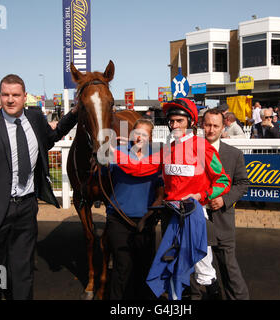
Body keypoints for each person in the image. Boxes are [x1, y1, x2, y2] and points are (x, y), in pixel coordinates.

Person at [0, 74, 79, 300]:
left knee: (22, 272)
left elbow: (51, 136)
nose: (10, 100)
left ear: (25, 97)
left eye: (15, 95)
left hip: (25, 210)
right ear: (1, 95)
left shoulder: (35, 118)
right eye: (5, 95)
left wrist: (74, 114)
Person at [111, 98, 231, 299]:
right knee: (174, 268)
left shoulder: (202, 147)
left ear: (190, 122)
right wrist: (113, 153)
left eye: (179, 121)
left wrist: (202, 196)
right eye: (171, 121)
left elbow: (223, 181)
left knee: (204, 271)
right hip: (173, 217)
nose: (174, 125)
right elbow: (140, 168)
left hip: (194, 216)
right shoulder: (168, 150)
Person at [192, 108, 249, 300]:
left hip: (222, 220)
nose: (211, 129)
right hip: (196, 221)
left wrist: (224, 199)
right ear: (202, 125)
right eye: (207, 125)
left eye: (215, 126)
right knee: (195, 273)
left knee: (230, 271)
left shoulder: (233, 154)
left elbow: (242, 184)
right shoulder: (190, 151)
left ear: (223, 126)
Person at [106, 119, 164, 300]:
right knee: (122, 266)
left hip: (145, 220)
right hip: (119, 219)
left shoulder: (156, 156)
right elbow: (100, 175)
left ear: (151, 137)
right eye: (137, 133)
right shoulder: (117, 152)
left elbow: (161, 188)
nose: (140, 137)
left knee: (144, 266)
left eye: (144, 134)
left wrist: (158, 201)